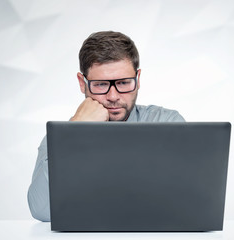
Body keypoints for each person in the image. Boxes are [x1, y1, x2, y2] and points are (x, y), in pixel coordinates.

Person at [27, 31, 185, 222]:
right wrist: (73, 133)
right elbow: (41, 210)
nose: (113, 96)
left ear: (138, 79)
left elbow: (183, 202)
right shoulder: (60, 137)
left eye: (124, 83)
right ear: (82, 83)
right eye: (101, 84)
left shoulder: (167, 123)